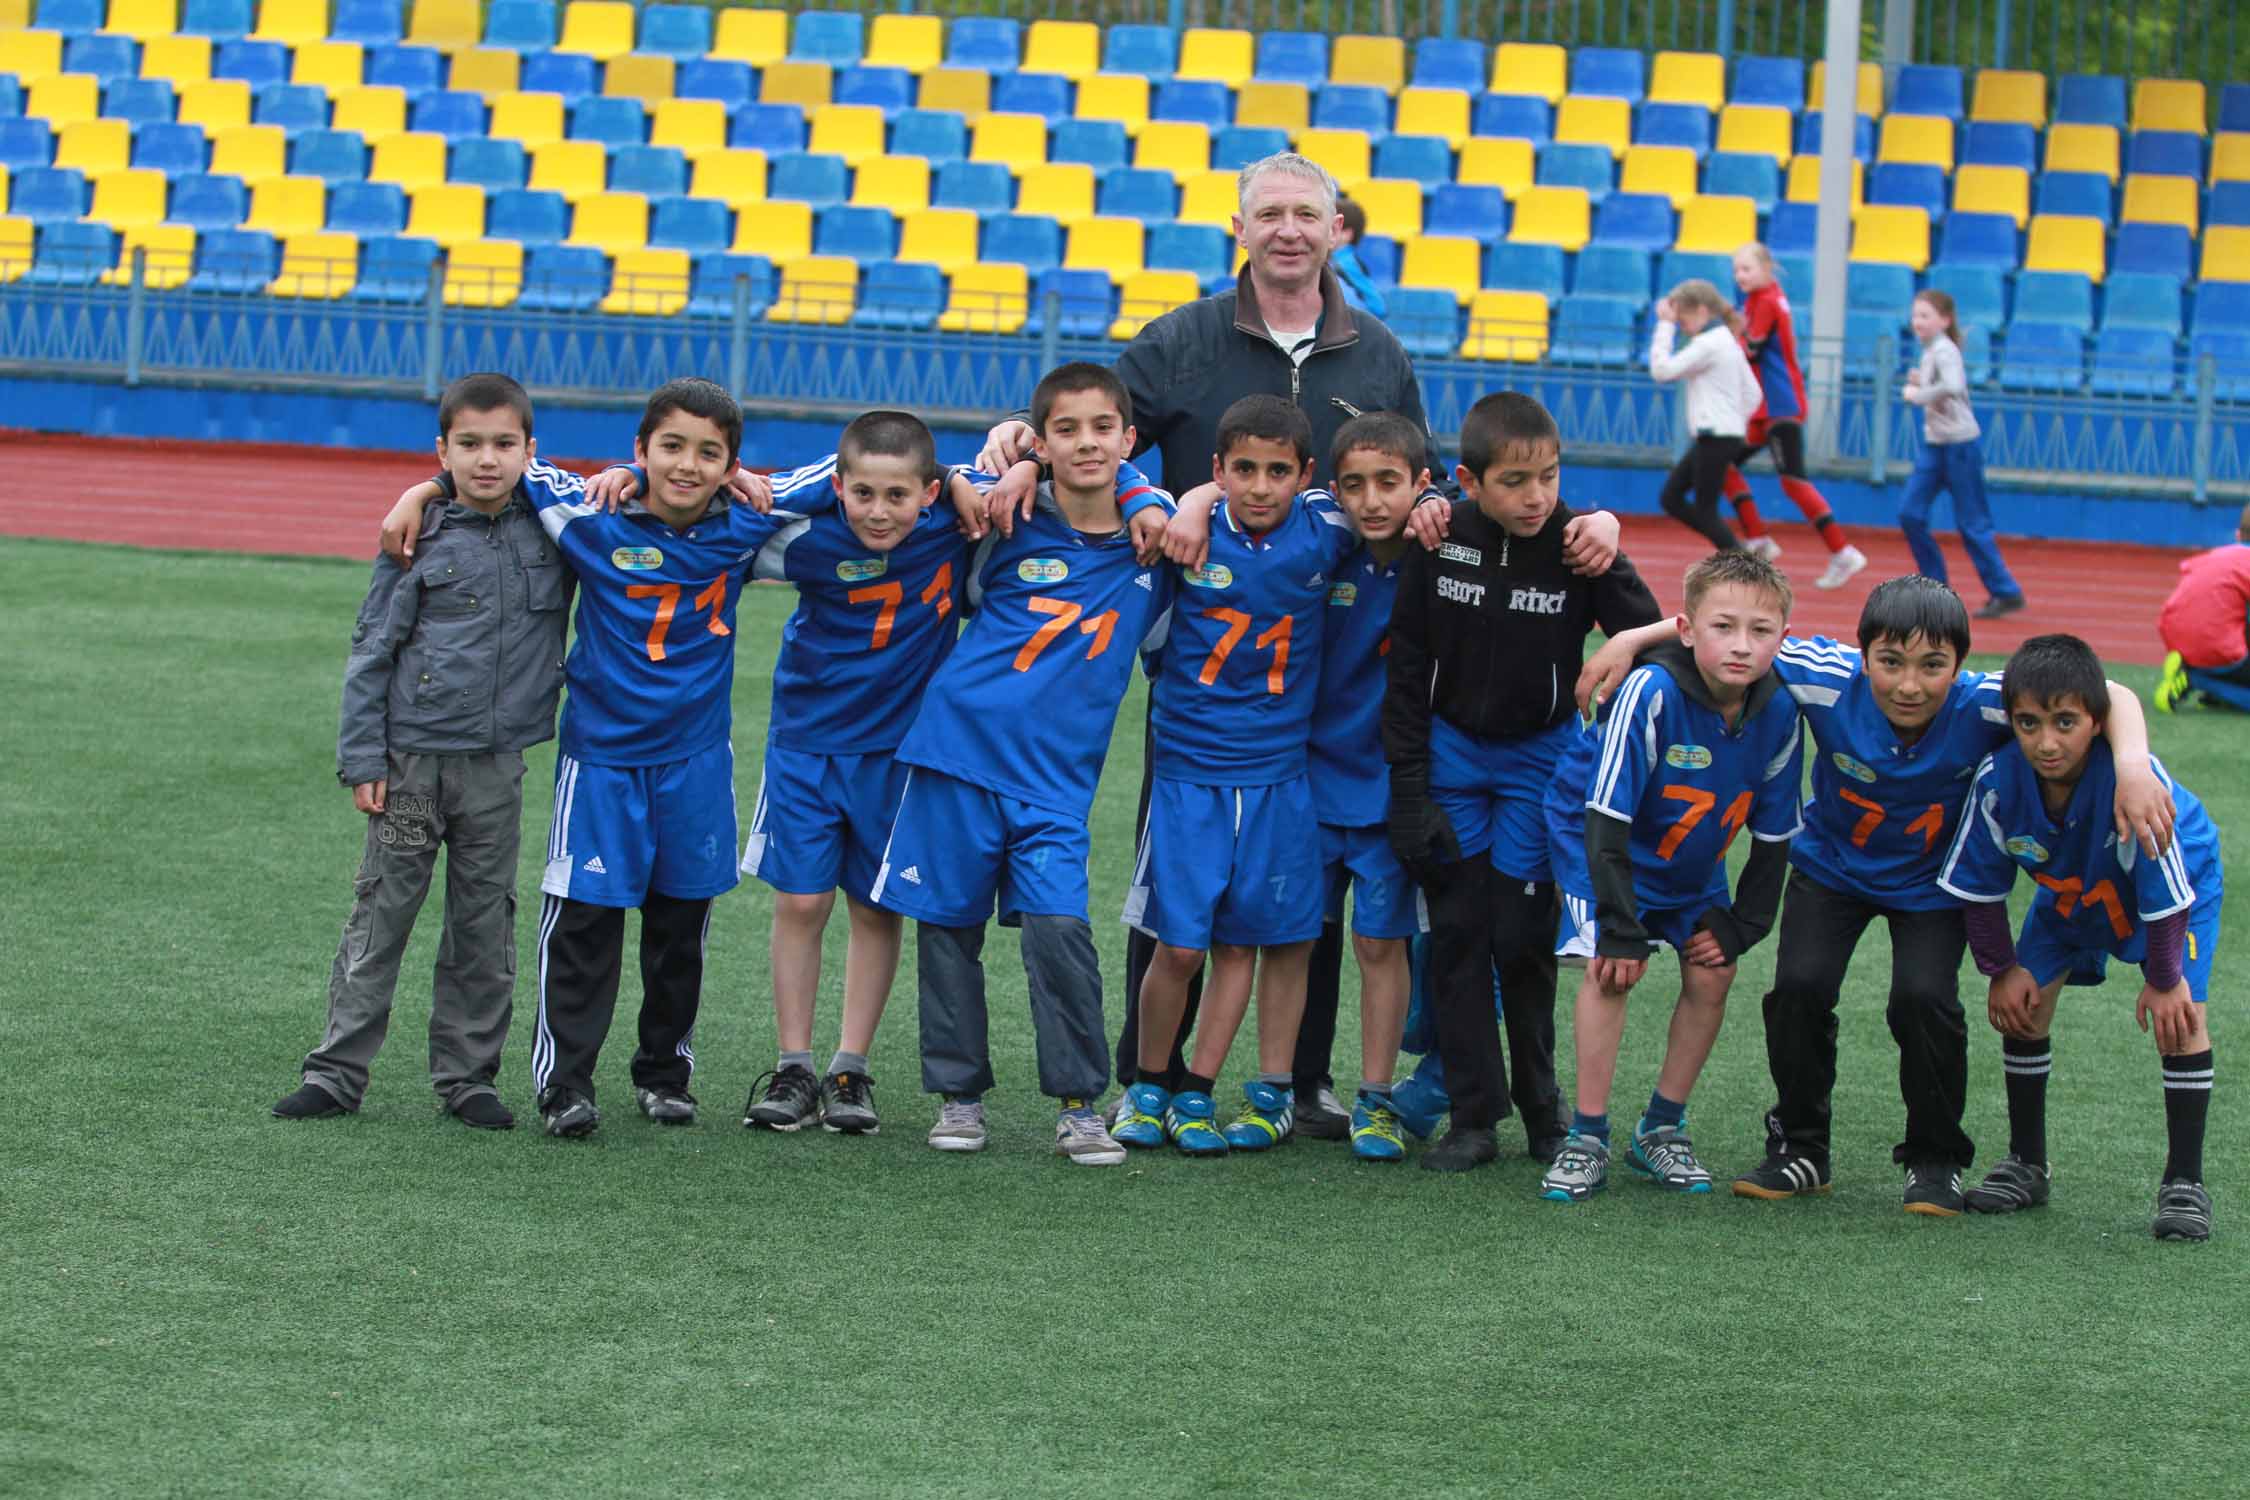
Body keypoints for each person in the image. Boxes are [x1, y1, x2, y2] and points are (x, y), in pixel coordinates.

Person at [967, 153, 1441, 1141]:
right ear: (1240, 227)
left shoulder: (1378, 354)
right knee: (1174, 893)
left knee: (1299, 900)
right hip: (1198, 673)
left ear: (1337, 229)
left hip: (1324, 671)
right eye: (1269, 214)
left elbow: (1412, 475)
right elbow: (1096, 426)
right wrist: (1023, 444)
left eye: (1306, 214)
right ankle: (1153, 1075)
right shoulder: (1182, 338)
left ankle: (1298, 1084)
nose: (1288, 231)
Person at [1579, 577, 2175, 1213]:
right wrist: (1630, 639)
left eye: (1932, 666)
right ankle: (1800, 1145)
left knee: (1923, 1000)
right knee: (1799, 988)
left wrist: (2133, 765)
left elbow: (2107, 692)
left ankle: (1935, 1157)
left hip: (1930, 884)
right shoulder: (1827, 676)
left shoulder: (1983, 703)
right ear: (1862, 657)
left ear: (1961, 666)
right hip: (1831, 869)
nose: (1909, 685)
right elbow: (1730, 628)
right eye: (1890, 662)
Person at [871, 362, 1175, 1165]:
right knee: (948, 929)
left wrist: (1146, 495)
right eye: (1065, 430)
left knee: (1058, 932)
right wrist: (1002, 469)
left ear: (1129, 440)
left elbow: (1200, 515)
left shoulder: (1158, 544)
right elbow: (938, 478)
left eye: (1102, 428)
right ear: (1041, 442)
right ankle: (959, 1096)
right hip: (959, 752)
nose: (1086, 444)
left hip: (1055, 783)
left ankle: (1079, 1104)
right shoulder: (1006, 516)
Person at [273, 373, 568, 1130]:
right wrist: (363, 759)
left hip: (495, 768)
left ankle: (467, 1077)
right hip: (410, 766)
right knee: (382, 916)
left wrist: (423, 485)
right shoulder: (416, 535)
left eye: (503, 443)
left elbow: (627, 494)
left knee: (484, 924)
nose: (486, 459)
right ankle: (336, 1072)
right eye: (468, 444)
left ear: (530, 450)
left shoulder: (556, 529)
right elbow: (373, 647)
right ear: (443, 451)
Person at [514, 379, 803, 1137]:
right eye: (670, 447)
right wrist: (424, 490)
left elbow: (851, 474)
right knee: (584, 923)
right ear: (640, 448)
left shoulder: (744, 526)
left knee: (680, 927)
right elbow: (512, 463)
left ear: (732, 466)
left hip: (696, 763)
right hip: (603, 763)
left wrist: (758, 485)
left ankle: (665, 1074)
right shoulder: (591, 515)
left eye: (709, 453)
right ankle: (564, 1085)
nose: (687, 465)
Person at [1384, 392, 1657, 1173]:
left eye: (1549, 476)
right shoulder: (1437, 536)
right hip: (1453, 761)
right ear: (1470, 481)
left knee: (1523, 941)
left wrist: (1624, 609)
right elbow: (1407, 667)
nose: (1536, 496)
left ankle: (1544, 1110)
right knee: (1457, 938)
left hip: (1540, 762)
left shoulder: (1580, 545)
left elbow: (1665, 637)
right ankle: (1473, 1118)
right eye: (1514, 481)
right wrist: (1409, 790)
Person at [1116, 395, 1361, 1155]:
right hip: (1189, 772)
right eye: (1243, 470)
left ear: (1304, 475)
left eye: (1277, 471)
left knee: (1242, 945)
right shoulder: (1183, 533)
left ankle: (1197, 1092)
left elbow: (1400, 495)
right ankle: (1146, 1084)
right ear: (1219, 470)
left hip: (1279, 775)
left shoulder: (1327, 528)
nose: (1260, 486)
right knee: (1179, 947)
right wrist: (1191, 503)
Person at [1938, 634, 2223, 1241]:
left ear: (2096, 721)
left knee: (2182, 1019)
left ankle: (2184, 1182)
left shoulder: (2133, 784)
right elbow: (1979, 888)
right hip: (2072, 886)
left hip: (2178, 889)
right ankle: (2027, 1163)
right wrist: (2001, 969)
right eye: (2029, 723)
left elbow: (2166, 892)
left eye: (2064, 722)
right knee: (2026, 1005)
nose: (2047, 741)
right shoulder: (1997, 782)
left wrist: (2165, 979)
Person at [1539, 550, 1803, 1202]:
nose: (1741, 645)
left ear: (1783, 638)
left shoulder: (1780, 710)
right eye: (1723, 627)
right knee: (1611, 968)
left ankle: (1660, 1127)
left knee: (1714, 969)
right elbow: (1605, 817)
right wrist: (1621, 925)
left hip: (1690, 859)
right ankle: (1587, 1136)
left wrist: (1745, 924)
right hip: (1604, 850)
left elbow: (1774, 834)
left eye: (1760, 631)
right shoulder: (1650, 692)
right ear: (1686, 629)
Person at [730, 414, 961, 1139]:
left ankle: (849, 1067)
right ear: (838, 488)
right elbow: (730, 503)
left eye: (897, 496)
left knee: (874, 906)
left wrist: (971, 477)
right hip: (807, 743)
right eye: (863, 493)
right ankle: (793, 1064)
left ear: (928, 494)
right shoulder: (804, 537)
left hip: (897, 753)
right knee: (801, 901)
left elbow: (1027, 471)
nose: (879, 511)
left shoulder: (957, 526)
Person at [1305, 413, 1435, 1161]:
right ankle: (1281, 1088)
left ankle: (1377, 1098)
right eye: (1354, 485)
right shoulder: (1324, 552)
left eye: (1389, 482)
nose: (1373, 500)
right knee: (1293, 943)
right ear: (1336, 493)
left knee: (1380, 946)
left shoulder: (1440, 557)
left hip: (1391, 793)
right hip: (1312, 783)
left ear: (1422, 484)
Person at [1723, 243, 1869, 591]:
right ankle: (1758, 538)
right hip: (1763, 406)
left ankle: (1843, 551)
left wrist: (1724, 337)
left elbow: (1751, 349)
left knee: (1793, 480)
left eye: (1747, 269)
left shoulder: (1767, 302)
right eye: (1737, 269)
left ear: (1766, 268)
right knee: (1723, 464)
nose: (1740, 275)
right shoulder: (1759, 300)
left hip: (1780, 404)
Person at [1900, 289, 2026, 620]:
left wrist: (1919, 394)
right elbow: (1945, 384)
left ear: (1945, 320)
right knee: (1910, 513)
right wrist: (1922, 380)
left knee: (1972, 523)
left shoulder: (1944, 350)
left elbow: (1954, 385)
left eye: (1925, 316)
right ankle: (1935, 586)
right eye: (1915, 316)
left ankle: (2005, 590)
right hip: (1936, 445)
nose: (1917, 322)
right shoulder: (1931, 351)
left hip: (1959, 445)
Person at [1648, 278, 1765, 556]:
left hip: (1715, 435)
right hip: (1720, 435)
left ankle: (1742, 562)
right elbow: (1753, 394)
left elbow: (1662, 371)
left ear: (1701, 311)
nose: (1681, 325)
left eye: (1683, 319)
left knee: (1704, 510)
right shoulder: (1725, 341)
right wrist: (1735, 422)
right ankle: (1737, 556)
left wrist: (1665, 325)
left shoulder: (1709, 344)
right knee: (1672, 498)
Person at [2155, 502, 2250, 713]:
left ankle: (2210, 689)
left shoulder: (2217, 555)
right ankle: (2195, 679)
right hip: (2217, 649)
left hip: (2177, 640)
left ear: (2238, 534)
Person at [1330, 195, 1386, 317]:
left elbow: (1378, 307)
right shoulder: (1332, 260)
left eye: (1331, 228)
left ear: (1346, 235)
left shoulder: (1344, 264)